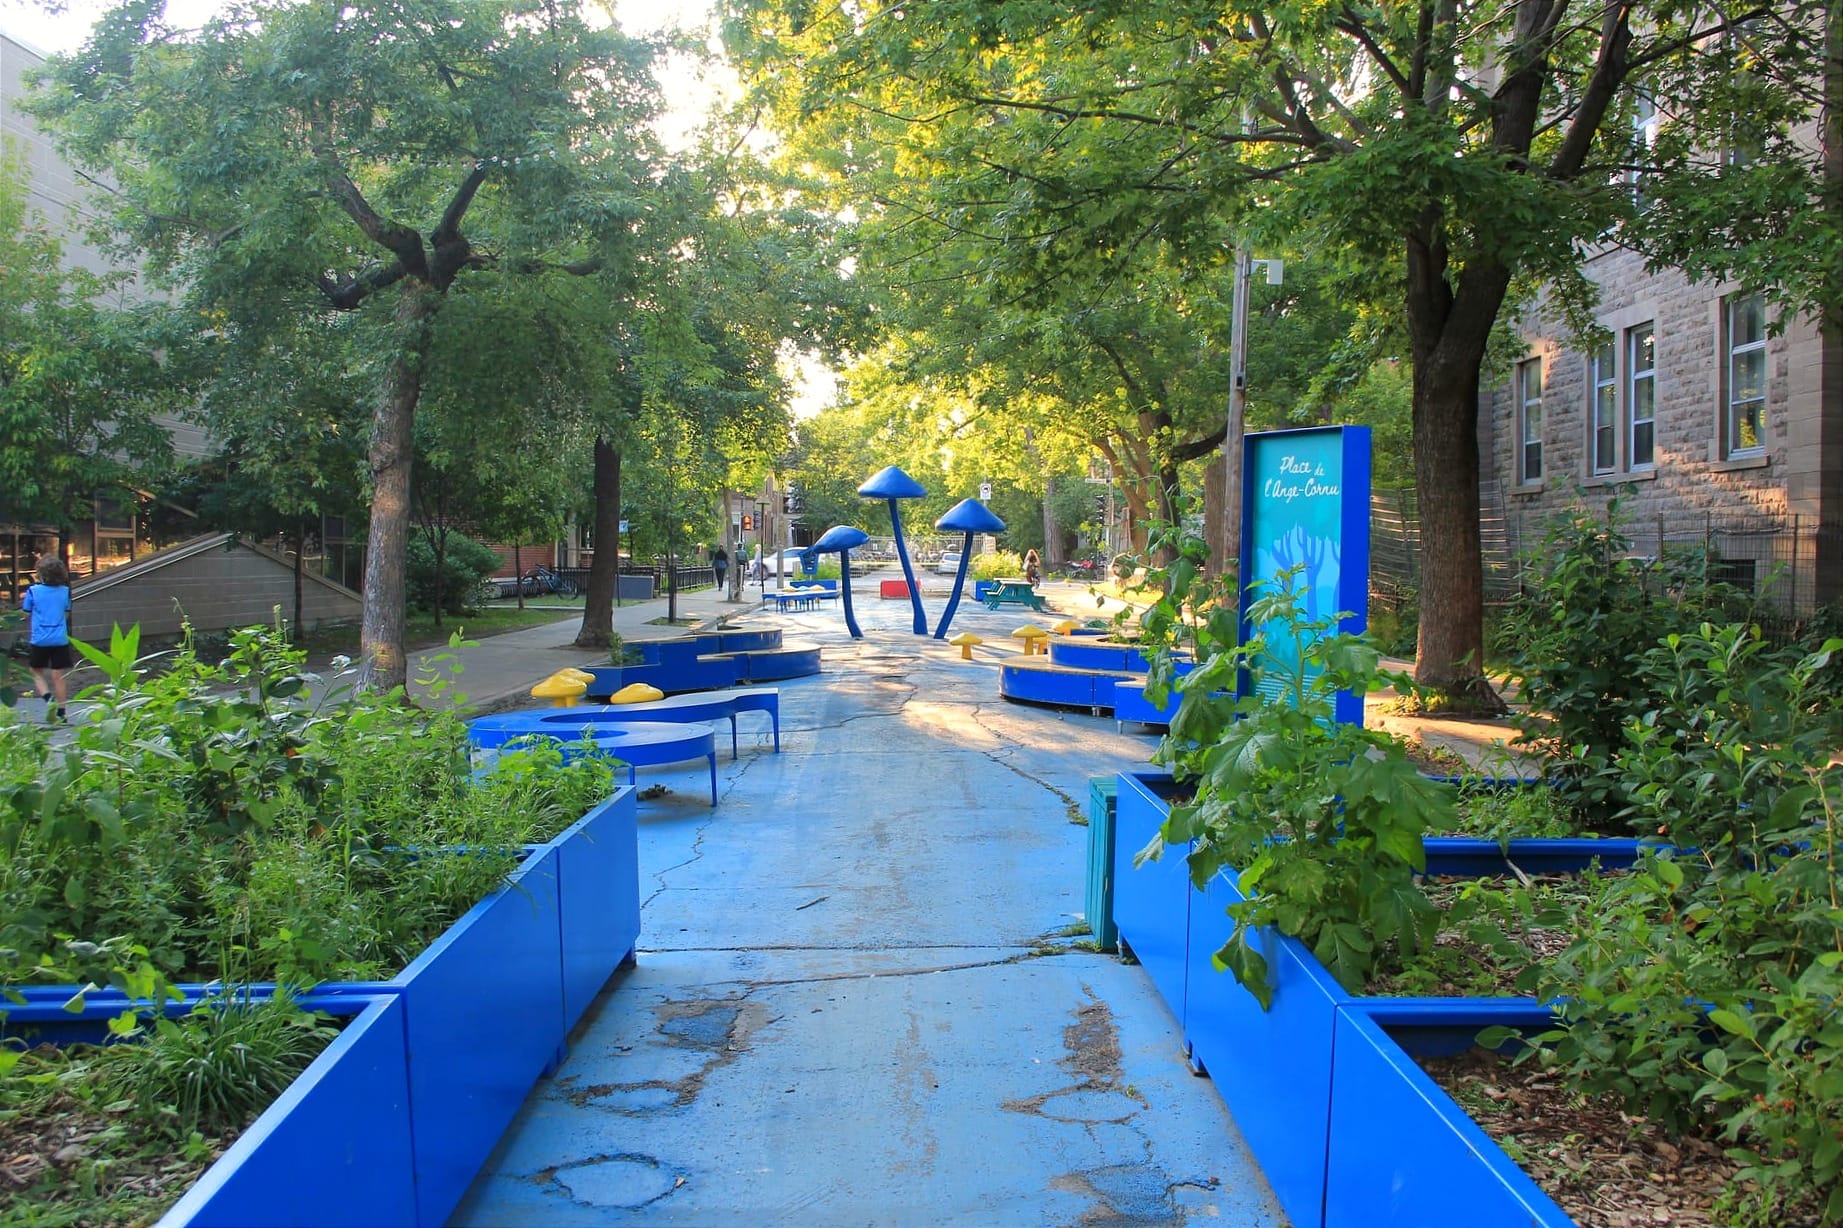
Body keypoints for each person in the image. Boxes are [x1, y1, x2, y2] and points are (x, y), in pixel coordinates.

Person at [21, 554, 72, 723]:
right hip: (60, 639)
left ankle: (48, 699)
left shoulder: (33, 591)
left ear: (41, 574)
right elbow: (66, 613)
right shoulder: (65, 592)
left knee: (35, 671)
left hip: (40, 639)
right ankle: (62, 712)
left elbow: (25, 613)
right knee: (59, 676)